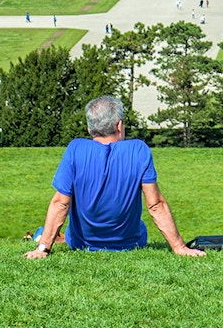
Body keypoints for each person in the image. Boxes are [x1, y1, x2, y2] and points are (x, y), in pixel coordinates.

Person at [26, 96, 204, 259]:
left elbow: (61, 203)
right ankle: (51, 236)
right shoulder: (139, 150)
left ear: (90, 129)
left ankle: (46, 236)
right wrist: (180, 247)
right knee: (140, 226)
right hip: (129, 243)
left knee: (68, 232)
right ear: (119, 126)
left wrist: (43, 249)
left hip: (81, 243)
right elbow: (155, 205)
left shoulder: (75, 149)